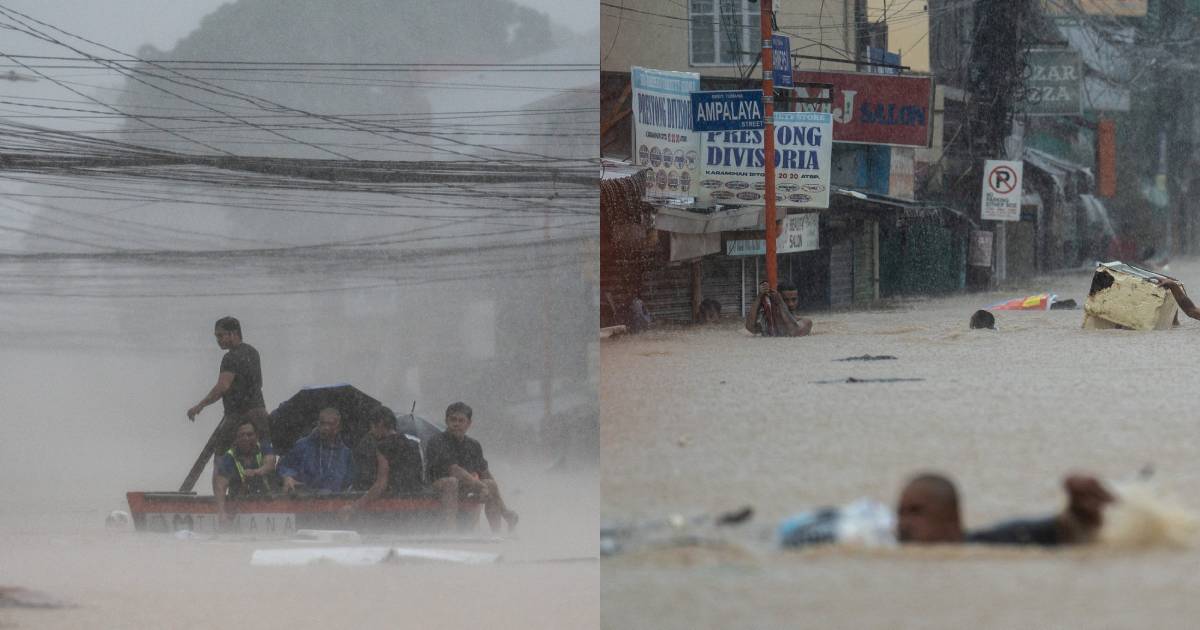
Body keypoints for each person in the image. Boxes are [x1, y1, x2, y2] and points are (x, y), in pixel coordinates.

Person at [897, 472, 1114, 545]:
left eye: (916, 511)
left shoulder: (1002, 539)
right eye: (900, 513)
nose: (903, 523)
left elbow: (1068, 527)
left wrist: (1080, 505)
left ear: (951, 517)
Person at [426, 402, 518, 533]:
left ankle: (497, 533)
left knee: (490, 483)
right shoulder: (437, 441)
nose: (456, 424)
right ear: (446, 421)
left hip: (465, 487)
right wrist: (480, 487)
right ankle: (451, 531)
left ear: (468, 424)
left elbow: (485, 473)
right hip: (437, 486)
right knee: (451, 482)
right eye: (453, 420)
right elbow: (454, 470)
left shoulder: (473, 445)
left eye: (461, 421)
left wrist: (489, 491)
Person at [186, 316, 269, 455]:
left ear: (233, 333)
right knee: (261, 452)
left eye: (220, 335)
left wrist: (200, 406)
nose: (218, 340)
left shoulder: (230, 357)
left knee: (221, 454)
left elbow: (223, 387)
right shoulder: (253, 352)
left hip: (238, 414)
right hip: (259, 412)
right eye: (216, 336)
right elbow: (259, 383)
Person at [342, 407, 425, 519]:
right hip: (414, 504)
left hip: (391, 505)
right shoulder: (413, 445)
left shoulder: (383, 446)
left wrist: (354, 506)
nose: (371, 431)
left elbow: (381, 484)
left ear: (380, 424)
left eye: (371, 426)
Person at [212, 421, 277, 525]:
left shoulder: (264, 448)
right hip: (239, 504)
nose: (246, 438)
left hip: (268, 501)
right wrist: (221, 513)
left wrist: (256, 472)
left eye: (249, 434)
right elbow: (220, 487)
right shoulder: (228, 458)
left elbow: (270, 464)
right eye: (241, 435)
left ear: (256, 436)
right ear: (236, 439)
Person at [277, 407, 353, 494]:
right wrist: (287, 477)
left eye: (331, 424)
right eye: (322, 423)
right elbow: (283, 465)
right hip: (304, 501)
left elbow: (349, 484)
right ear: (318, 423)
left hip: (333, 503)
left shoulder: (346, 453)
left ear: (339, 427)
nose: (326, 428)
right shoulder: (303, 445)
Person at [744, 281, 813, 337]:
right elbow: (750, 327)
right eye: (785, 300)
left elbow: (794, 332)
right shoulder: (770, 323)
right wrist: (759, 296)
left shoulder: (806, 322)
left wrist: (780, 303)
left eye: (794, 299)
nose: (790, 304)